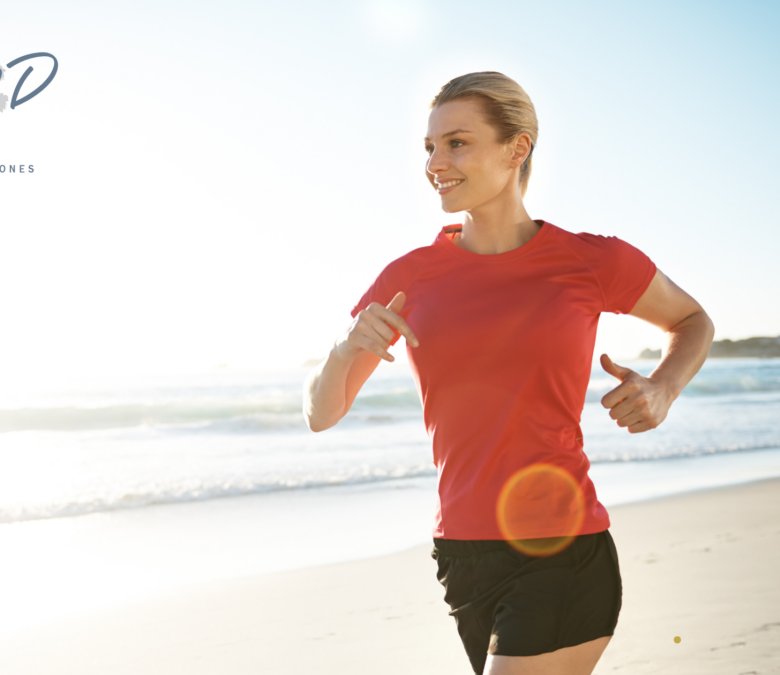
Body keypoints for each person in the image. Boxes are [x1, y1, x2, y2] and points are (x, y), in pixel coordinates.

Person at [302, 72, 715, 675]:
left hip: (562, 545)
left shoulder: (591, 261)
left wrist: (664, 385)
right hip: (461, 554)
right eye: (429, 147)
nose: (435, 162)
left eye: (457, 143)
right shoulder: (410, 276)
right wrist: (343, 348)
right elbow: (320, 413)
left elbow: (692, 319)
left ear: (516, 148)